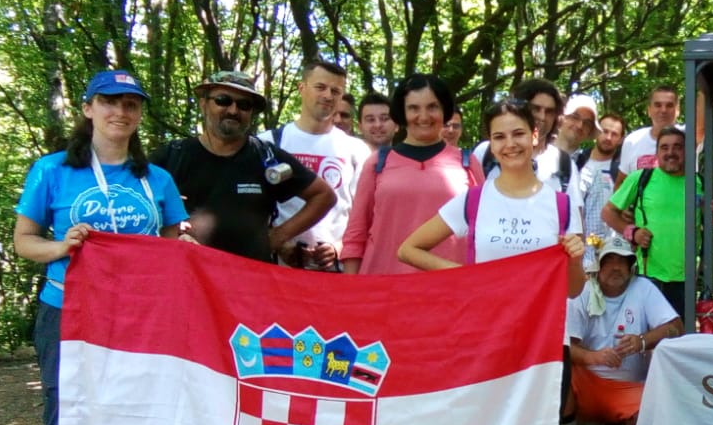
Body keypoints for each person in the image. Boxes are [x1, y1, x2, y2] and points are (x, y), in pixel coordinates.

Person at [13, 70, 189, 425]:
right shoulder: (52, 171)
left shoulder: (156, 179)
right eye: (110, 101)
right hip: (68, 316)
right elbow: (25, 241)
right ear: (88, 108)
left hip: (138, 323)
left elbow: (172, 251)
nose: (121, 112)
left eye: (131, 104)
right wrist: (61, 247)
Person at [398, 98, 586, 290]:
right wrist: (463, 274)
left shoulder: (563, 206)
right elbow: (408, 250)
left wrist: (573, 262)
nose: (510, 144)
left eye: (518, 134)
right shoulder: (473, 200)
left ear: (534, 136)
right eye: (499, 137)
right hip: (482, 309)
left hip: (539, 311)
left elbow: (573, 290)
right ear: (491, 144)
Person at [152, 70, 333, 261]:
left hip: (249, 275)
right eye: (223, 100)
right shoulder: (173, 155)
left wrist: (277, 237)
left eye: (244, 105)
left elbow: (323, 195)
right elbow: (137, 202)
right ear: (203, 103)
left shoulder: (266, 156)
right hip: (186, 271)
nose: (233, 110)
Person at [342, 74, 479, 275]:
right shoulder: (378, 162)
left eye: (432, 107)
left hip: (449, 283)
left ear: (444, 110)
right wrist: (350, 287)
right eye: (414, 108)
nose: (423, 116)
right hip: (384, 282)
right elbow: (356, 234)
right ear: (402, 112)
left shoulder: (467, 162)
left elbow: (484, 229)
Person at [565, 234, 682, 425]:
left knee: (660, 405)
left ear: (631, 267)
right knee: (557, 370)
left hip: (629, 387)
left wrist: (642, 340)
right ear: (599, 265)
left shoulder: (643, 288)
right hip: (586, 382)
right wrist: (594, 357)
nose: (616, 267)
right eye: (610, 260)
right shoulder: (582, 290)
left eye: (623, 261)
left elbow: (676, 327)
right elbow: (565, 346)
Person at [264, 60, 371, 271]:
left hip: (336, 271)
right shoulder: (269, 142)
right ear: (302, 88)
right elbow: (251, 208)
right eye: (320, 87)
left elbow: (365, 215)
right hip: (278, 268)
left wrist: (338, 247)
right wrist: (280, 243)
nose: (328, 96)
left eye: (335, 91)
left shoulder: (356, 150)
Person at [602, 126, 695, 324]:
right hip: (648, 276)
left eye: (677, 147)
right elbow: (608, 212)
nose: (671, 152)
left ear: (686, 151)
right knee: (648, 335)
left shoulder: (698, 183)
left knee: (682, 336)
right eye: (664, 147)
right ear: (657, 153)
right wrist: (632, 232)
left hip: (688, 278)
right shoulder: (642, 178)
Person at [577, 112, 626, 273]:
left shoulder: (623, 170)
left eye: (614, 134)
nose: (608, 137)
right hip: (579, 253)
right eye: (605, 131)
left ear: (621, 139)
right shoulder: (576, 162)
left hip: (613, 254)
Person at [618, 84, 680, 174]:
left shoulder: (690, 137)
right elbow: (622, 181)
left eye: (669, 105)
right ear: (649, 110)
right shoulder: (632, 141)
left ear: (678, 110)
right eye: (658, 105)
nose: (663, 110)